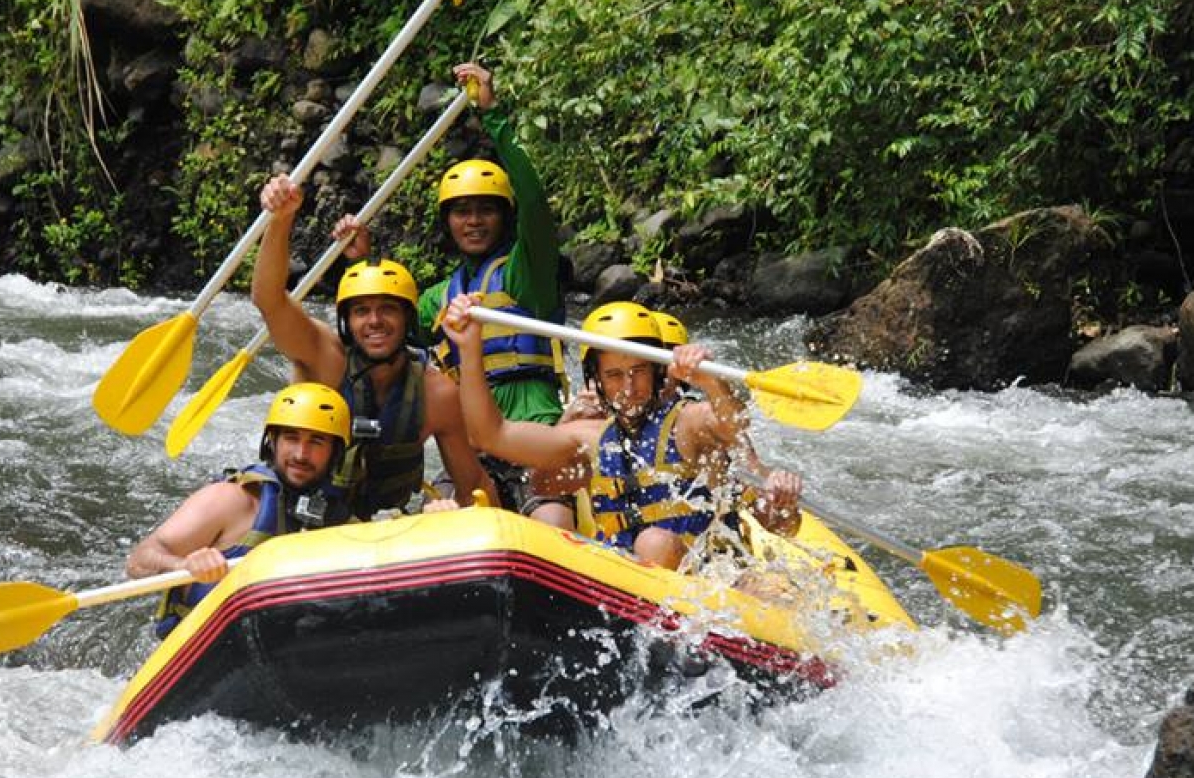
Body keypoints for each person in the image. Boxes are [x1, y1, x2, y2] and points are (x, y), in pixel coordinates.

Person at [337, 62, 566, 518]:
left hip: (533, 428)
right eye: (461, 212)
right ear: (448, 223)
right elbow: (380, 331)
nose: (474, 221)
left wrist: (493, 115)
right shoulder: (436, 299)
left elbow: (536, 206)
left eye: (486, 210)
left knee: (550, 518)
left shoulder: (527, 274)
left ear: (504, 216)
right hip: (468, 442)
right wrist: (362, 262)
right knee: (435, 515)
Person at [442, 294, 803, 571]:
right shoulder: (589, 438)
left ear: (658, 370)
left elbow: (733, 427)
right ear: (596, 381)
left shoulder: (688, 422)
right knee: (643, 545)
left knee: (653, 543)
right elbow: (490, 435)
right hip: (624, 579)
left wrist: (711, 382)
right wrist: (469, 348)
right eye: (614, 375)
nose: (629, 387)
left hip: (705, 578)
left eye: (639, 371)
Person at [252, 173, 491, 518]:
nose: (375, 321)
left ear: (408, 320)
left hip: (380, 530)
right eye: (361, 311)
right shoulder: (323, 356)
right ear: (346, 322)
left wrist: (461, 520)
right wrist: (281, 219)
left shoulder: (437, 392)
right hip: (300, 521)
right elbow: (269, 299)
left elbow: (472, 485)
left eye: (388, 309)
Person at [127, 382, 352, 636]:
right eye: (291, 438)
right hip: (204, 647)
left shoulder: (338, 522)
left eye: (317, 442)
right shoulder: (230, 500)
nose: (301, 453)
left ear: (335, 454)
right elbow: (139, 560)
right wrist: (184, 566)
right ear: (273, 442)